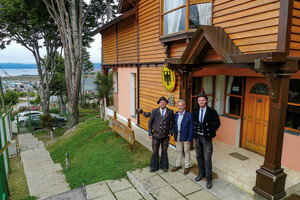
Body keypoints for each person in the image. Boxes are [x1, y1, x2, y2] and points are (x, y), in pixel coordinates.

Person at [193, 93, 220, 189]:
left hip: (206, 138)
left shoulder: (212, 111)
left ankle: (209, 179)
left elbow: (217, 123)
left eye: (203, 100)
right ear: (198, 102)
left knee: (207, 159)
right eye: (199, 100)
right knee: (199, 157)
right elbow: (194, 123)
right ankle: (201, 174)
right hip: (197, 138)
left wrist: (210, 132)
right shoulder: (195, 110)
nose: (201, 102)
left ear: (206, 101)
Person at [148, 96, 174, 172]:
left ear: (166, 103)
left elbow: (173, 123)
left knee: (164, 151)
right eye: (161, 102)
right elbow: (150, 123)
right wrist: (150, 133)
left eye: (164, 102)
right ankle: (154, 166)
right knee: (155, 151)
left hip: (166, 136)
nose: (163, 103)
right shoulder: (154, 111)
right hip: (156, 135)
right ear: (159, 103)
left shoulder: (170, 112)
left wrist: (171, 132)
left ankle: (164, 166)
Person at [171, 99, 194, 175]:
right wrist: (172, 133)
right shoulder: (176, 114)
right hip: (178, 135)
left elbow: (191, 128)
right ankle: (178, 165)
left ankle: (187, 166)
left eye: (182, 105)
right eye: (179, 105)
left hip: (186, 136)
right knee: (178, 150)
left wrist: (190, 138)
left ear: (184, 106)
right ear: (177, 106)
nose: (180, 107)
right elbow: (174, 125)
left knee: (186, 151)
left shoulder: (189, 115)